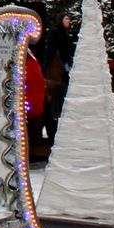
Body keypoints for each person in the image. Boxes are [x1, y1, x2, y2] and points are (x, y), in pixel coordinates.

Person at [42, 11, 74, 145]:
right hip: (59, 67)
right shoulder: (56, 32)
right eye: (66, 18)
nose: (69, 21)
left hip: (63, 65)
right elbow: (52, 50)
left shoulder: (63, 33)